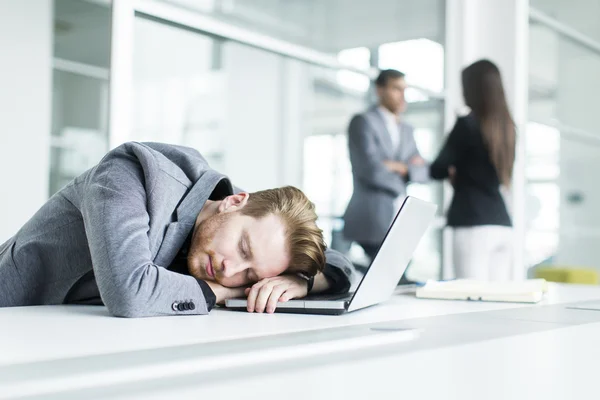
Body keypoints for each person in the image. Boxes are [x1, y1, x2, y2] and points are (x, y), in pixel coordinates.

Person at [0, 142, 353, 317]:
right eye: (243, 250)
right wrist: (233, 293)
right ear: (234, 201)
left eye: (251, 275)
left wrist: (298, 282)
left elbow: (341, 265)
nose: (232, 270)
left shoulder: (239, 221)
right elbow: (129, 291)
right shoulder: (130, 174)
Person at [430, 59, 516, 281]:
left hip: (473, 224)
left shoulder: (467, 123)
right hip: (502, 225)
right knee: (498, 302)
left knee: (470, 301)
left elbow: (437, 168)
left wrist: (454, 173)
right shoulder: (508, 127)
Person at [343, 69, 429, 263]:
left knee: (399, 276)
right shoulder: (363, 122)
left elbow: (425, 170)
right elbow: (371, 169)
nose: (403, 96)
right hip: (371, 218)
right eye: (396, 89)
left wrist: (400, 167)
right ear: (379, 90)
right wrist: (407, 168)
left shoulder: (407, 129)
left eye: (405, 89)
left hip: (401, 217)